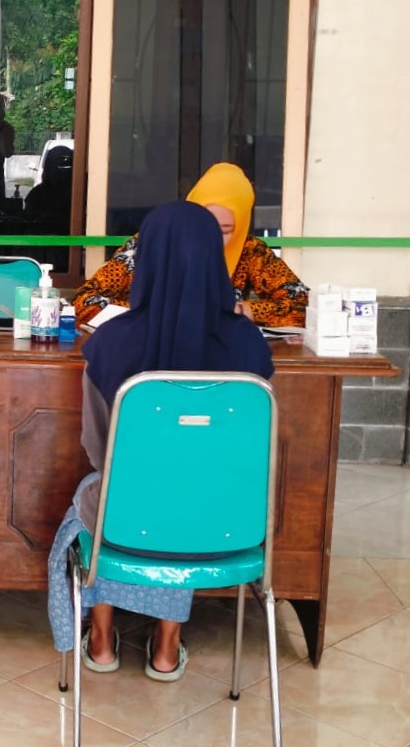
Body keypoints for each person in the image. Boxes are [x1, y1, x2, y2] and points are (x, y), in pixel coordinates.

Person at [48, 201, 274, 680]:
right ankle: (167, 647)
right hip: (226, 525)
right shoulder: (250, 346)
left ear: (145, 259)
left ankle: (102, 639)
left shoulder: (110, 344)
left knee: (106, 492)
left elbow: (98, 450)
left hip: (128, 522)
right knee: (191, 492)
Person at [73, 162, 308, 328]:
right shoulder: (153, 244)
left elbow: (301, 306)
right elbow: (85, 302)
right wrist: (154, 313)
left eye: (225, 231)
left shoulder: (250, 252)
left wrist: (239, 310)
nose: (210, 238)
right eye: (202, 224)